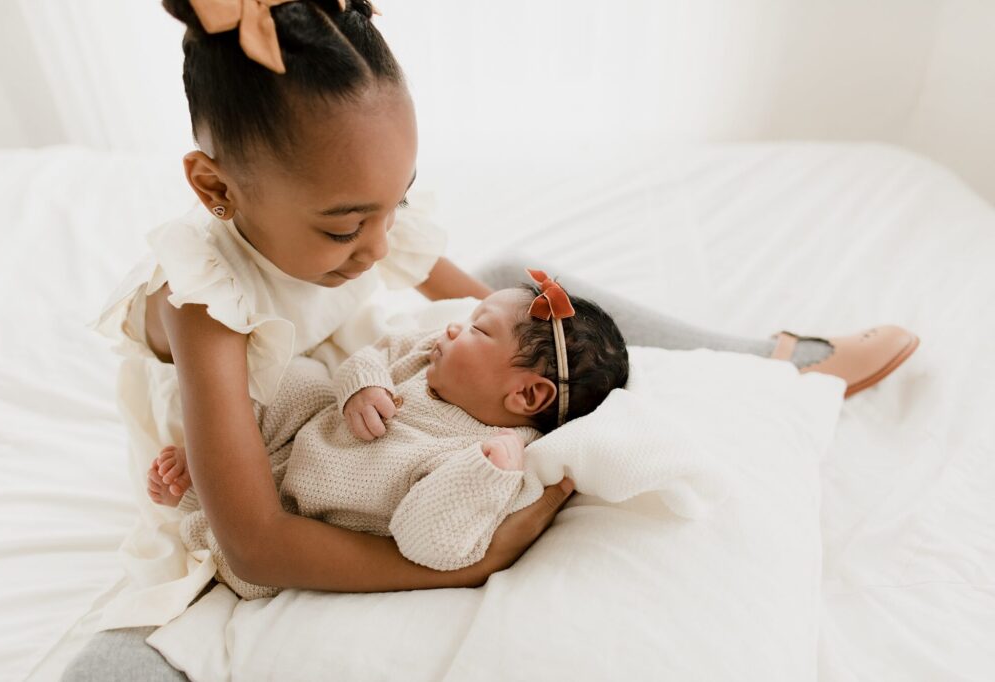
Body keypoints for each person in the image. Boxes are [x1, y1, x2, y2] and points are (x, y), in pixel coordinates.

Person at [63, 1, 917, 679]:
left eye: (396, 204)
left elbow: (508, 318)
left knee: (519, 284)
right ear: (217, 188)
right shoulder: (204, 303)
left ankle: (760, 357)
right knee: (127, 656)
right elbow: (254, 539)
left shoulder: (367, 223)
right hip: (245, 471)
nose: (377, 245)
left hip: (358, 386)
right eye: (344, 228)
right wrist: (463, 568)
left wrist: (530, 369)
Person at [149, 279, 629, 598]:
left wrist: (486, 472)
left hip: (307, 512)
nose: (454, 327)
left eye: (478, 329)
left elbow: (430, 543)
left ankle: (207, 491)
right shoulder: (427, 354)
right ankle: (219, 453)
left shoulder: (495, 459)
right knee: (303, 378)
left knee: (247, 518)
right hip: (306, 433)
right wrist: (364, 384)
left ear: (526, 396)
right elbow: (373, 352)